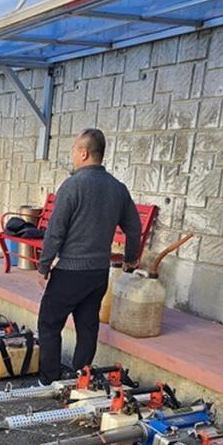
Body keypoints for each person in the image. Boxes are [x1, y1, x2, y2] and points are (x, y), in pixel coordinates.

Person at [37, 128, 142, 384]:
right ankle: (80, 378)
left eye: (74, 150)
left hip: (70, 272)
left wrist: (44, 266)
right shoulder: (118, 188)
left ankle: (48, 380)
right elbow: (134, 227)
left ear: (84, 153)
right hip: (98, 273)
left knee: (49, 324)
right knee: (87, 327)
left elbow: (55, 231)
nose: (72, 155)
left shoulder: (72, 185)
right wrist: (130, 258)